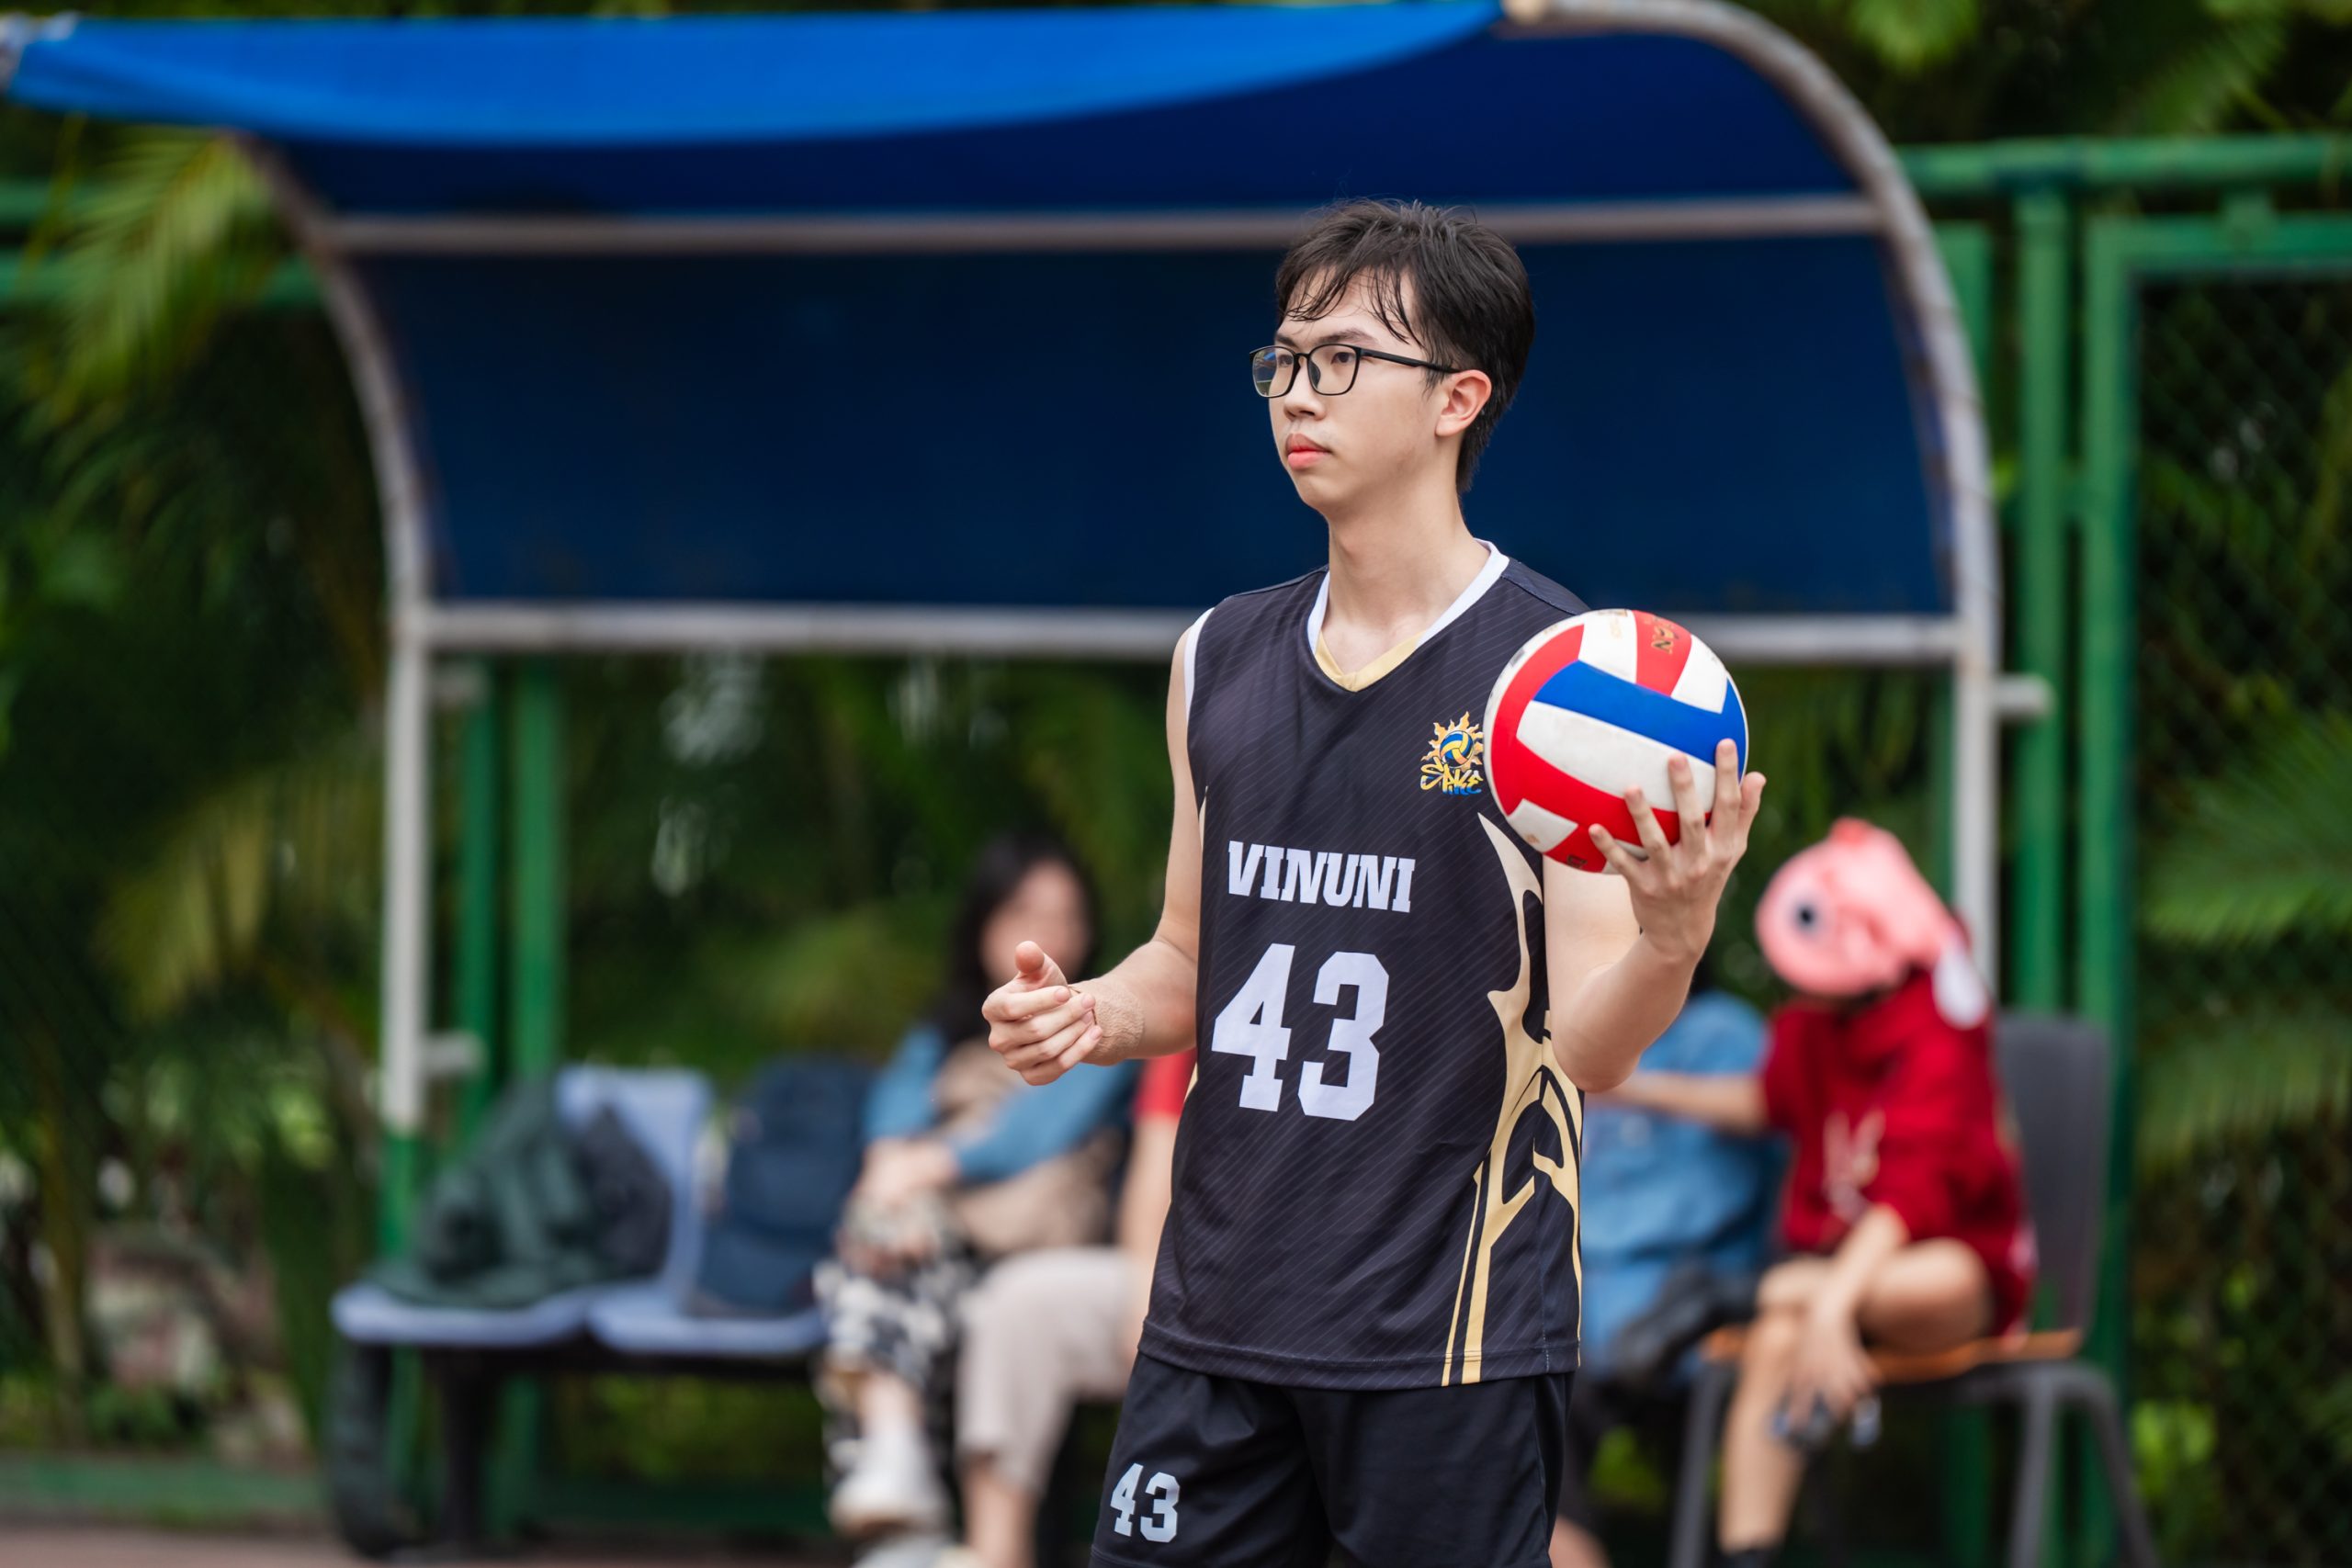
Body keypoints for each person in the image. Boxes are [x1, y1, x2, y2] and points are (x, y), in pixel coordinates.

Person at [981, 199, 1767, 1568]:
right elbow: (1190, 956)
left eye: (1343, 359)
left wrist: (1671, 933)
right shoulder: (1217, 656)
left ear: (1460, 397)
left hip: (1445, 1339)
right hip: (1217, 1318)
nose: (1299, 393)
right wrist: (1093, 1012)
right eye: (1284, 360)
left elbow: (1588, 1049)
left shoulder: (1566, 685)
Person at [1605, 820, 2032, 1568]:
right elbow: (1769, 1100)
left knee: (1946, 1277)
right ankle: (1748, 1556)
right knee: (1779, 1337)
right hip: (1830, 1280)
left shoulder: (1941, 1041)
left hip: (1927, 1279)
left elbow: (1912, 1201)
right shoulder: (1814, 1029)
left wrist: (1834, 1301)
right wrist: (1636, 1086)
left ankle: (1746, 1294)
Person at [820, 833, 1139, 1541]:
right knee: (882, 1258)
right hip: (941, 1241)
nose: (1050, 933)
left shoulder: (1103, 1020)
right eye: (1028, 910)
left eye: (1067, 915)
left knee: (874, 1274)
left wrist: (917, 1170)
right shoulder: (944, 1025)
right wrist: (888, 1180)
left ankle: (899, 1511)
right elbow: (893, 1112)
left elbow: (1031, 1134)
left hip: (1034, 1245)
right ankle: (900, 1486)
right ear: (985, 918)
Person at [1549, 978, 1777, 1568]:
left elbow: (1769, 1106)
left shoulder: (1723, 1031)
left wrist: (1632, 1087)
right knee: (1519, 1406)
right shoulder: (1583, 1028)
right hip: (1585, 1305)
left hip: (1689, 1299)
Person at [949, 1046, 1196, 1568]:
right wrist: (1147, 1301)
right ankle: (995, 1552)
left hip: (1322, 1307)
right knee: (1020, 1303)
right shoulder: (1198, 1023)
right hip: (1181, 1286)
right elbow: (1154, 1175)